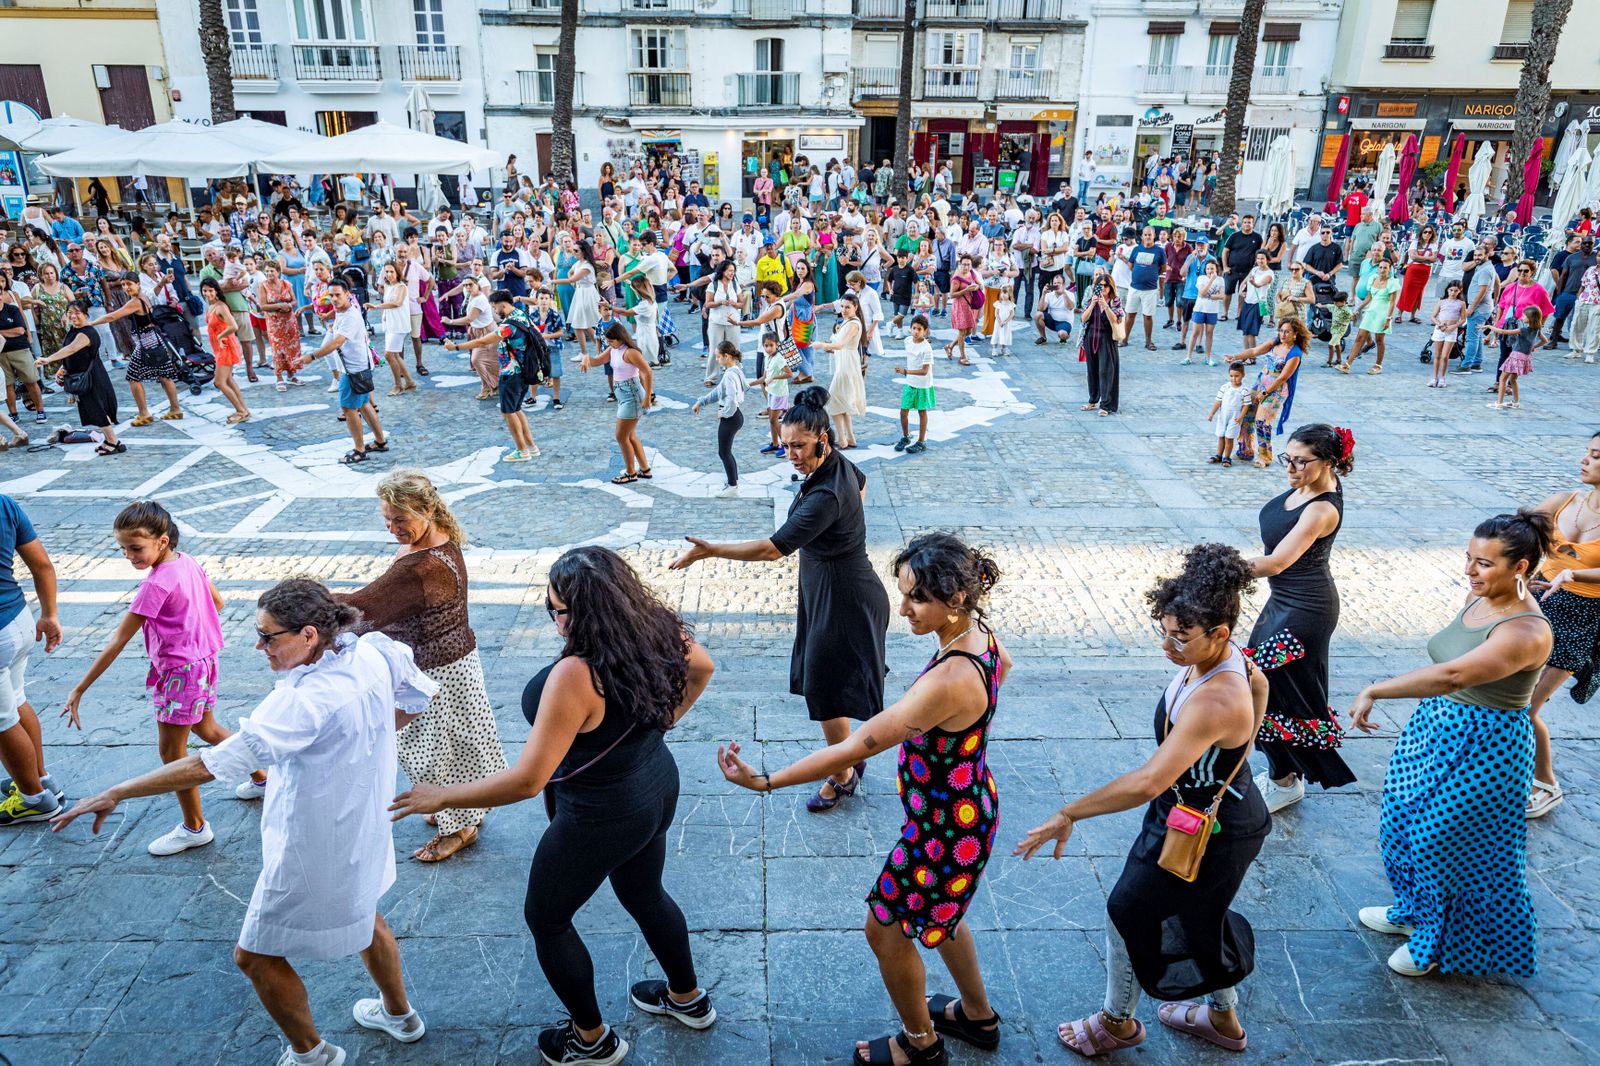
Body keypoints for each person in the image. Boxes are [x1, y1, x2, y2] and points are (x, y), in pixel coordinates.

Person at [54, 578, 438, 1066]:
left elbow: (208, 764)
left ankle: (312, 1055)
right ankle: (401, 1016)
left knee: (253, 956)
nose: (259, 647)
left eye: (268, 636)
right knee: (365, 912)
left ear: (309, 635)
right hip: (366, 821)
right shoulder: (370, 652)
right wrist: (365, 739)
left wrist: (116, 791)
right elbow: (416, 696)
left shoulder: (301, 702)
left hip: (313, 841)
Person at [390, 547, 717, 1064]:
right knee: (646, 893)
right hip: (655, 783)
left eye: (558, 610)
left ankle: (591, 1041)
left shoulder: (576, 675)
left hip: (600, 814)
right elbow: (703, 666)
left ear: (586, 613)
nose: (554, 620)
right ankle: (687, 999)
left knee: (547, 920)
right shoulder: (658, 628)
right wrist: (666, 720)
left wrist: (441, 794)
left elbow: (527, 781)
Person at [719, 533, 1009, 1065]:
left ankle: (920, 1045)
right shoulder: (980, 638)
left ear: (957, 599)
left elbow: (854, 748)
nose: (904, 609)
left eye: (917, 598)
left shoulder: (947, 680)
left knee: (885, 929)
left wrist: (766, 781)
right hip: (968, 806)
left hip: (944, 830)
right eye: (904, 593)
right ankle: (977, 1016)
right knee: (943, 913)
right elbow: (1003, 669)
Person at [1016, 543, 1270, 1057]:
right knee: (1199, 915)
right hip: (1195, 809)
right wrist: (1234, 763)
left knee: (1127, 910)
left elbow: (1149, 781)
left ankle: (1117, 1023)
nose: (1166, 645)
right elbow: (1261, 686)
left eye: (1180, 637)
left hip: (1211, 827)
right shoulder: (1231, 660)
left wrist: (1068, 813)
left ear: (1220, 634)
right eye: (1164, 630)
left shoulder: (1217, 698)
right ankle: (1222, 1020)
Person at [1350, 512, 1554, 979]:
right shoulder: (1478, 598)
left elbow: (1454, 674)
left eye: (1484, 563)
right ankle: (1413, 911)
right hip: (1435, 728)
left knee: (1442, 843)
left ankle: (1438, 944)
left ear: (1520, 567)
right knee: (1399, 824)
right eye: (1468, 558)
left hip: (1487, 747)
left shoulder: (1527, 631)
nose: (1469, 571)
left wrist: (1377, 689)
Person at [671, 386, 890, 811]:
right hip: (834, 587)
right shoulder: (838, 466)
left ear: (822, 440)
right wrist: (841, 535)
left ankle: (843, 773)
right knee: (827, 681)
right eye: (786, 445)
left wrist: (711, 550)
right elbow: (861, 486)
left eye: (799, 446)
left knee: (824, 688)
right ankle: (846, 757)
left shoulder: (825, 496)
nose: (791, 454)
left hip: (843, 597)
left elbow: (772, 549)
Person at [60, 501, 267, 853]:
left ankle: (195, 827)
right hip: (205, 662)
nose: (129, 556)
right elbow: (217, 603)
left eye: (135, 548)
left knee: (172, 753)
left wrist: (79, 689)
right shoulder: (187, 562)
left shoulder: (154, 586)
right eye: (123, 548)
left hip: (178, 673)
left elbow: (117, 642)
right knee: (207, 729)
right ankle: (262, 777)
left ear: (162, 541)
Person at [334, 473, 509, 862]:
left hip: (431, 674)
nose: (391, 528)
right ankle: (462, 808)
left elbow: (364, 607)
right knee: (462, 744)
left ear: (427, 510)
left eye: (399, 519)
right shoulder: (439, 536)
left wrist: (304, 604)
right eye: (386, 519)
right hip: (456, 663)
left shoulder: (420, 567)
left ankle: (458, 827)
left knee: (430, 753)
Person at [1239, 423, 1356, 813]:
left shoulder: (1322, 508)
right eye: (1287, 458)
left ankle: (1285, 782)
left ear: (1329, 462)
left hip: (1306, 611)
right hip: (1283, 603)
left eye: (1301, 461)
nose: (1290, 468)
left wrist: (1218, 567)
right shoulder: (1307, 485)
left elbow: (1276, 562)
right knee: (1262, 684)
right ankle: (1285, 775)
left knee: (1271, 690)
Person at [1521, 432, 1600, 817]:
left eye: (1596, 456)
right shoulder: (1563, 501)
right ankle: (1508, 773)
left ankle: (1547, 784)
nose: (1585, 460)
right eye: (1588, 452)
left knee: (1526, 707)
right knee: (1506, 697)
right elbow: (1516, 535)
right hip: (1538, 606)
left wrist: (1574, 574)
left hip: (1581, 619)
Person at [0, 494, 65, 826]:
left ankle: (33, 799)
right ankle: (39, 778)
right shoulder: (4, 504)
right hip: (18, 620)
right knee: (16, 699)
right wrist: (50, 614)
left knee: (2, 722)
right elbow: (42, 565)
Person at [445, 289, 544, 463]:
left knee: (509, 412)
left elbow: (483, 341)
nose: (494, 311)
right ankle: (531, 447)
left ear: (503, 306)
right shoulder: (521, 314)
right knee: (516, 409)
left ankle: (522, 450)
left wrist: (456, 347)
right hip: (523, 371)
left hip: (511, 373)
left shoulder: (508, 326)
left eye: (494, 307)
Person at [297, 278, 388, 465]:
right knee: (364, 404)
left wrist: (312, 356)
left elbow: (337, 342)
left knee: (348, 409)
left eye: (337, 295)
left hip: (353, 369)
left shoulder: (350, 316)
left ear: (348, 294)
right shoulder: (342, 311)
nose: (334, 299)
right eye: (331, 295)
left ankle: (360, 450)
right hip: (357, 366)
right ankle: (380, 441)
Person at [87, 274, 184, 427]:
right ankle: (175, 409)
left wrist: (91, 323)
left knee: (133, 377)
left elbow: (113, 316)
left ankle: (144, 413)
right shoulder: (143, 296)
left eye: (129, 284)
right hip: (156, 340)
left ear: (138, 284)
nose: (126, 287)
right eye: (123, 284)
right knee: (165, 376)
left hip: (146, 345)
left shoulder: (135, 301)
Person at [30, 300, 123, 455]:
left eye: (77, 313)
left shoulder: (87, 333)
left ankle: (114, 441)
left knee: (98, 410)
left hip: (92, 377)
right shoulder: (74, 330)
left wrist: (49, 359)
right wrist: (62, 368)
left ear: (86, 314)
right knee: (93, 410)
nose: (73, 316)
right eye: (70, 313)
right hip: (82, 375)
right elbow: (72, 354)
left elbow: (71, 349)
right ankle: (108, 440)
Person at [1225, 318, 1306, 468]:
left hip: (1276, 390)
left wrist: (1265, 392)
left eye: (1287, 332)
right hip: (1260, 383)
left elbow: (1283, 377)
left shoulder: (1295, 353)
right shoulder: (1275, 342)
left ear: (1295, 334)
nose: (1283, 334)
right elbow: (1254, 351)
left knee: (1262, 421)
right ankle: (1246, 450)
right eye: (1281, 331)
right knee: (1246, 414)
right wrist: (1235, 357)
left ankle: (1265, 456)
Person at [581, 321, 654, 482]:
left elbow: (648, 372)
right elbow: (597, 361)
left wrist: (648, 397)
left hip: (632, 395)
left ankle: (630, 473)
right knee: (630, 434)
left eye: (611, 341)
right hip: (623, 395)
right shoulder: (613, 349)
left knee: (621, 436)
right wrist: (586, 358)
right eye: (607, 341)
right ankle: (645, 469)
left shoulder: (630, 352)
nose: (608, 344)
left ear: (620, 338)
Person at [693, 340, 749, 498]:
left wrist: (723, 413)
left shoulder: (730, 375)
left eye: (718, 357)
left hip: (731, 417)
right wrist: (701, 402)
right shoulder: (734, 370)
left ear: (727, 356)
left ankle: (733, 487)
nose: (717, 359)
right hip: (735, 416)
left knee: (724, 452)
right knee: (726, 452)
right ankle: (733, 482)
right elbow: (718, 391)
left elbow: (731, 398)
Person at [816, 292, 866, 449]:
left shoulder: (853, 324)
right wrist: (829, 346)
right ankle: (850, 438)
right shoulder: (848, 321)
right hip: (844, 362)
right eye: (842, 306)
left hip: (847, 365)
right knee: (841, 401)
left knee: (832, 402)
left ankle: (842, 440)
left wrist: (822, 345)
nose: (844, 310)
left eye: (847, 307)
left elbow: (840, 345)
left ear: (855, 307)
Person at [198, 277, 252, 424]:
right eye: (204, 291)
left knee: (219, 382)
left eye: (210, 290)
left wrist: (220, 336)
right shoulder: (211, 306)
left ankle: (241, 411)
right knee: (228, 379)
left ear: (216, 291)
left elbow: (234, 326)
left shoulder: (221, 306)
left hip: (225, 346)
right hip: (219, 347)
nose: (207, 293)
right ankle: (244, 410)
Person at [1337, 259, 1400, 374]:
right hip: (1371, 312)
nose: (1382, 270)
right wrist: (1358, 309)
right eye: (1380, 267)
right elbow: (1369, 298)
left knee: (1379, 340)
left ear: (1389, 269)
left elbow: (1392, 303)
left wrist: (1388, 319)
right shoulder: (1373, 279)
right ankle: (1347, 365)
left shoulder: (1392, 282)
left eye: (1385, 268)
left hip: (1383, 314)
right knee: (1360, 337)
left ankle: (1378, 365)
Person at [369, 262, 421, 396]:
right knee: (395, 355)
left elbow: (397, 303)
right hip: (390, 324)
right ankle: (409, 382)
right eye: (386, 271)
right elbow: (387, 302)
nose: (389, 274)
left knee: (388, 354)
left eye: (391, 271)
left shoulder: (401, 286)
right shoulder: (387, 286)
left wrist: (376, 307)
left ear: (397, 272)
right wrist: (384, 316)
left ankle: (398, 385)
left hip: (399, 325)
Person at [1484, 305, 1541, 411]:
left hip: (1516, 356)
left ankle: (1499, 403)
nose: (1522, 317)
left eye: (1524, 316)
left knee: (1502, 379)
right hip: (1525, 356)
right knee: (1513, 379)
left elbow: (1504, 332)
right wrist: (1534, 346)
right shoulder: (1537, 329)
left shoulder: (1523, 329)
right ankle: (1515, 402)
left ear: (1530, 318)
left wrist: (1489, 327)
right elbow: (1545, 340)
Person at [1080, 271, 1122, 416]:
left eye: (1106, 286)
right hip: (1091, 337)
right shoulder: (1091, 299)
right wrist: (1093, 304)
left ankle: (1105, 404)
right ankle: (1092, 400)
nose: (1103, 288)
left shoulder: (1115, 301)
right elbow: (1083, 318)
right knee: (1092, 370)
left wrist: (1105, 306)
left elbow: (1116, 319)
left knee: (1106, 371)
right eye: (1100, 285)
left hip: (1107, 338)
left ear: (1111, 287)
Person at [894, 314, 935, 454]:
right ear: (910, 328)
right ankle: (906, 437)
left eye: (919, 329)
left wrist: (906, 371)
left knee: (922, 412)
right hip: (910, 383)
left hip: (922, 385)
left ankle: (921, 442)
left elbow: (924, 371)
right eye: (914, 328)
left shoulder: (927, 348)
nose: (916, 331)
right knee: (903, 411)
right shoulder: (907, 341)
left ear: (925, 331)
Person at [1206, 363, 1249, 468]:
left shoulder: (1244, 390)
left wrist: (1241, 417)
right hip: (1223, 415)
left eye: (1237, 376)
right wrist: (1212, 413)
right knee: (1221, 435)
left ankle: (1227, 457)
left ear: (1243, 375)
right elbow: (1218, 401)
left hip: (1235, 417)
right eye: (1231, 376)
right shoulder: (1225, 387)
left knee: (1229, 437)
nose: (1233, 379)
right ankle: (1219, 455)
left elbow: (1246, 405)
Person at [1428, 280, 1466, 388]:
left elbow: (1463, 319)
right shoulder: (1442, 302)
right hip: (1440, 329)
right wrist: (1439, 324)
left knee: (1445, 356)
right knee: (1437, 355)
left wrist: (1453, 326)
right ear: (1447, 290)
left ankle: (1442, 377)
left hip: (1451, 330)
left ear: (1459, 291)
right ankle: (1434, 377)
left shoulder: (1461, 304)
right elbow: (1433, 316)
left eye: (1455, 291)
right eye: (1451, 290)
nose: (1453, 293)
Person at [1035, 273, 1076, 345]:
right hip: (1052, 321)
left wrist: (1064, 293)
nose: (1056, 285)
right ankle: (1043, 337)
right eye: (1055, 283)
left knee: (1062, 334)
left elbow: (1070, 307)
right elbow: (1041, 309)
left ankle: (1065, 336)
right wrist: (1043, 294)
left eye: (1059, 283)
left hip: (1064, 322)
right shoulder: (1049, 295)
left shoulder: (1070, 294)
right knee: (1038, 315)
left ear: (1063, 285)